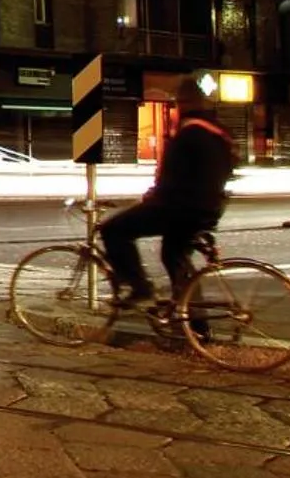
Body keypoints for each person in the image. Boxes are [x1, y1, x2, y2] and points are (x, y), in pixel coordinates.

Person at [99, 78, 236, 307]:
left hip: (180, 207)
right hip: (208, 207)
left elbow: (172, 174)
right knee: (174, 256)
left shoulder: (189, 132)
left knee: (113, 230)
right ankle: (195, 326)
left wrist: (154, 196)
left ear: (183, 102)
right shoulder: (220, 131)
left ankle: (139, 287)